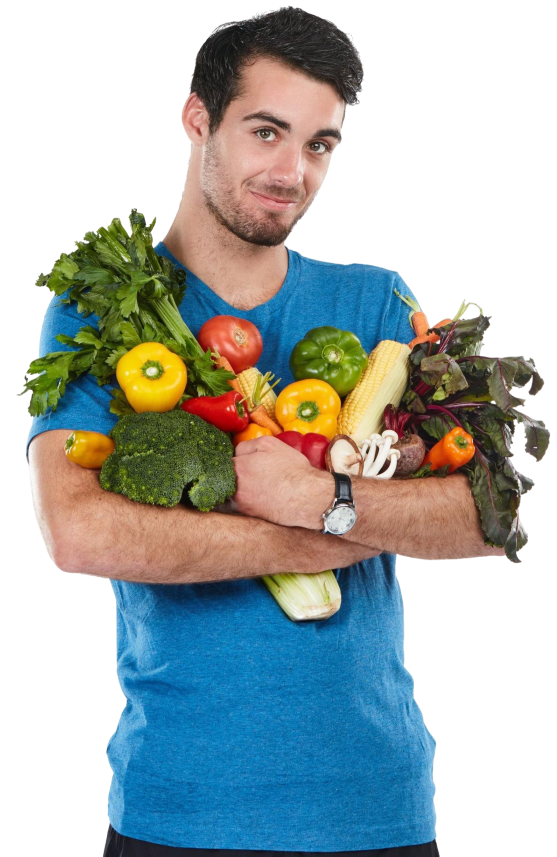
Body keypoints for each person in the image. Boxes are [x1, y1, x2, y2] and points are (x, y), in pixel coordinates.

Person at [27, 8, 504, 856]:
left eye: (320, 145)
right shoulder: (96, 312)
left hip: (377, 802)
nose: (292, 171)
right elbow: (77, 529)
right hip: (179, 805)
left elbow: (485, 512)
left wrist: (324, 499)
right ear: (196, 119)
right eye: (267, 131)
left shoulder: (379, 302)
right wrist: (318, 535)